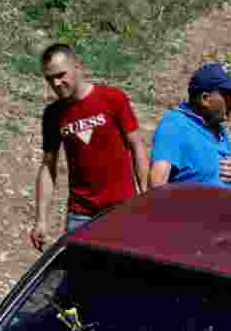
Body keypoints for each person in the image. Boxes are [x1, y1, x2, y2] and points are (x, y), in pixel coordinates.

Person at [29, 43, 150, 252]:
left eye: (61, 75)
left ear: (78, 67)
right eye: (49, 79)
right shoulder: (53, 114)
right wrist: (40, 219)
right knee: (77, 276)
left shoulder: (112, 99)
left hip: (121, 209)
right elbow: (48, 166)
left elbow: (137, 146)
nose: (56, 83)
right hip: (80, 212)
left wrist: (147, 196)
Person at [149, 63, 231, 189]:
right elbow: (156, 187)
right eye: (227, 95)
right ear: (205, 99)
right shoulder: (175, 126)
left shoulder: (216, 128)